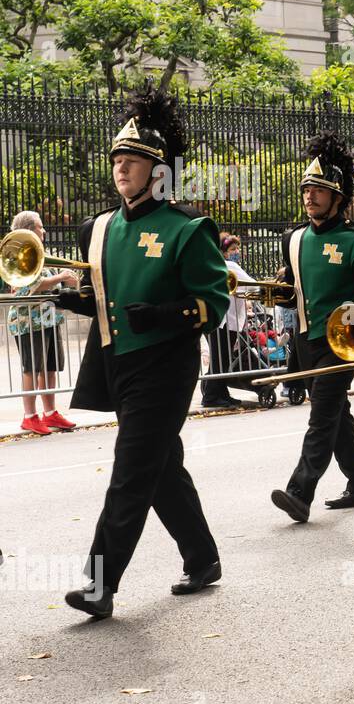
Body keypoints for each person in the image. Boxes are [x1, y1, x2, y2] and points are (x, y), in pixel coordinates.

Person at [52, 86, 230, 619]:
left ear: (159, 172)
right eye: (117, 161)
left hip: (166, 365)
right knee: (159, 466)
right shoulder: (100, 228)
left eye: (132, 162)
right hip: (118, 362)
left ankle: (98, 584)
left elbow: (213, 303)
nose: (121, 169)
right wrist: (77, 300)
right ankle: (202, 558)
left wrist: (165, 313)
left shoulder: (188, 227)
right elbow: (107, 298)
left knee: (131, 469)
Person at [269, 132, 354, 523]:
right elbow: (297, 292)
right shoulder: (294, 237)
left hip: (341, 343)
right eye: (307, 189)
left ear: (339, 198)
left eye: (319, 190)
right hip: (304, 340)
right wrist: (280, 294)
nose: (310, 196)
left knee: (322, 416)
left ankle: (300, 491)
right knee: (337, 414)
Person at [6, 210, 77, 435]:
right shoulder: (20, 254)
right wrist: (62, 277)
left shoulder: (40, 252)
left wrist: (69, 282)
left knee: (50, 367)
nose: (44, 230)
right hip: (28, 320)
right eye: (39, 226)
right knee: (32, 368)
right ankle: (30, 417)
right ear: (28, 229)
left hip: (48, 318)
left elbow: (51, 284)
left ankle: (50, 413)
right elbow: (33, 285)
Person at [200, 232, 253, 408]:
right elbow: (251, 283)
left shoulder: (213, 265)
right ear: (223, 251)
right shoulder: (229, 265)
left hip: (218, 319)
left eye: (237, 248)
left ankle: (220, 392)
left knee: (220, 358)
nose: (236, 251)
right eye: (232, 249)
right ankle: (211, 396)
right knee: (221, 359)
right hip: (226, 320)